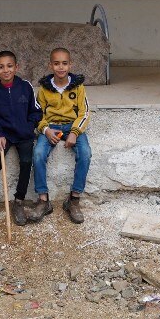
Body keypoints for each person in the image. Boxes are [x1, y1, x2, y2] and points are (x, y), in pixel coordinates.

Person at [28, 47, 90, 224]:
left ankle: (74, 199)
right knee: (38, 153)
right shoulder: (44, 89)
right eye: (56, 63)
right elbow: (37, 114)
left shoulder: (78, 87)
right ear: (50, 65)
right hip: (52, 126)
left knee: (85, 153)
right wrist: (46, 130)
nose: (60, 67)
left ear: (70, 65)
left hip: (72, 126)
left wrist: (75, 133)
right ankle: (43, 200)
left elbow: (84, 113)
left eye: (64, 63)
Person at [0, 50, 40, 227]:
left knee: (26, 162)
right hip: (3, 135)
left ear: (16, 67)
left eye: (9, 66)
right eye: (1, 67)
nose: (6, 70)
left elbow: (35, 111)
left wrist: (29, 126)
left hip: (24, 134)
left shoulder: (25, 86)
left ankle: (19, 201)